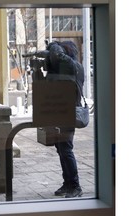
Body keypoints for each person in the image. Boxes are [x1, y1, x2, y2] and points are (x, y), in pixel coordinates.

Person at [45, 40, 84, 198]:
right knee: (61, 148)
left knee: (66, 149)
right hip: (60, 110)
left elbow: (61, 58)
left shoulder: (73, 66)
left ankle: (75, 185)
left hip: (68, 111)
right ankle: (67, 183)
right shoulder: (67, 68)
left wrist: (54, 46)